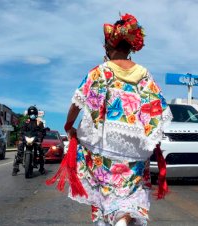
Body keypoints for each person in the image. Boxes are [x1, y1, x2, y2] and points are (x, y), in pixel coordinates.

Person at [47, 14, 173, 226]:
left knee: (103, 187)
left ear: (109, 47)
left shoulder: (99, 73)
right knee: (130, 188)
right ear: (130, 48)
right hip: (135, 147)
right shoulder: (144, 75)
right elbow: (157, 107)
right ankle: (124, 217)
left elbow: (76, 104)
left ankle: (110, 219)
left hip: (103, 143)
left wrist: (69, 126)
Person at [12, 105, 46, 176]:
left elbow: (42, 132)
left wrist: (41, 137)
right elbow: (22, 131)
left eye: (33, 114)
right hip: (26, 139)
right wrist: (21, 136)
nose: (32, 115)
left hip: (35, 140)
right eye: (31, 114)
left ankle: (42, 168)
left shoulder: (39, 123)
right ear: (28, 115)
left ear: (36, 114)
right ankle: (15, 168)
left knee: (41, 151)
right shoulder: (26, 122)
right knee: (20, 149)